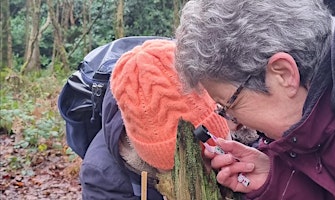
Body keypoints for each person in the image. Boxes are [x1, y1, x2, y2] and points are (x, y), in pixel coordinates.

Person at [174, 0, 335, 199]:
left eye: (230, 104)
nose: (233, 122)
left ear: (283, 74)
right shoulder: (305, 129)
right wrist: (276, 180)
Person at [79, 39, 232, 199]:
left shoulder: (241, 119)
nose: (209, 169)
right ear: (152, 161)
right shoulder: (103, 178)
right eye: (194, 163)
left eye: (215, 150)